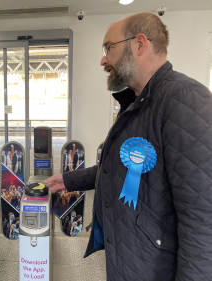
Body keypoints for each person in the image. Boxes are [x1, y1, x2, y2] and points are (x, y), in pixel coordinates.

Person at [45, 12, 212, 280]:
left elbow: (203, 222)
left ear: (140, 44)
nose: (103, 59)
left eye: (108, 47)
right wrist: (67, 179)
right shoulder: (140, 102)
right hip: (132, 260)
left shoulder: (185, 101)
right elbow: (117, 169)